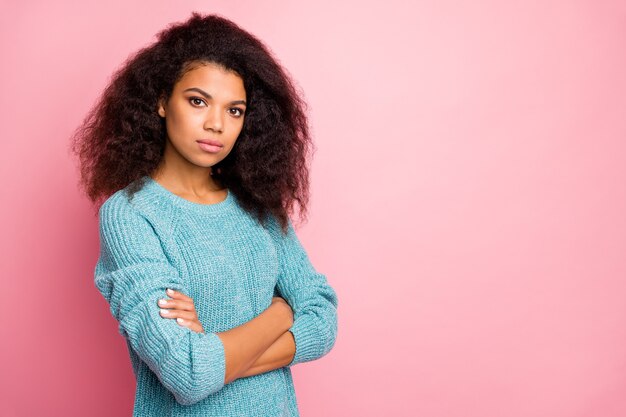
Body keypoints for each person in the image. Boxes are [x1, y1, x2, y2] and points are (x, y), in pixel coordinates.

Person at [70, 12, 338, 417]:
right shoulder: (130, 215)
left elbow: (323, 318)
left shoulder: (258, 206)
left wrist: (219, 353)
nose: (216, 124)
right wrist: (281, 311)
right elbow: (188, 373)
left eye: (235, 110)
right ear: (161, 101)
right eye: (198, 101)